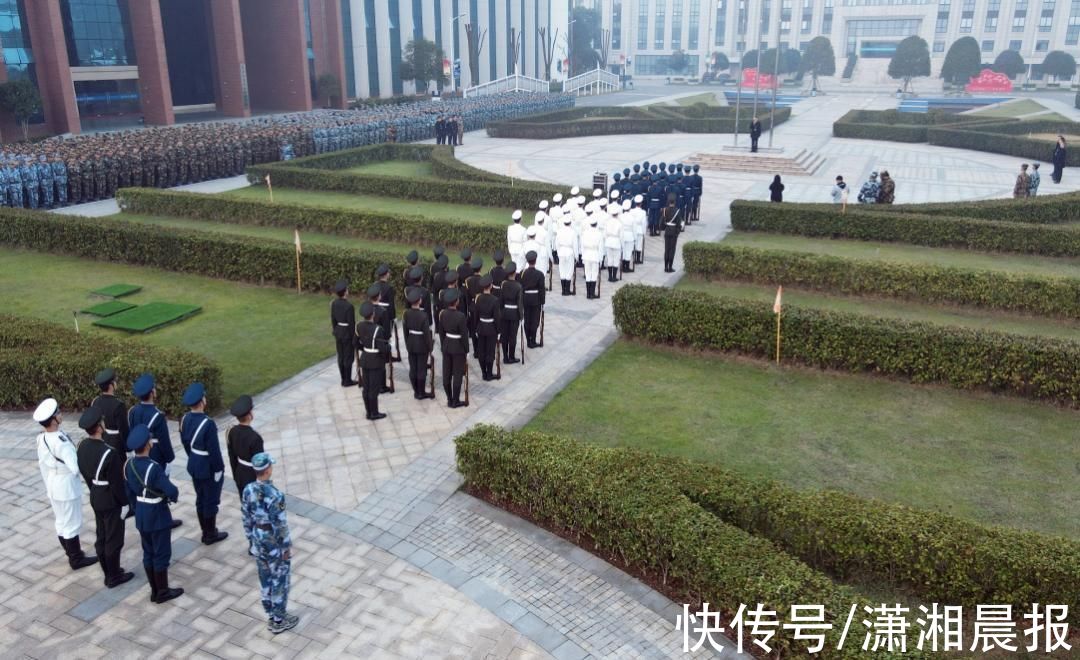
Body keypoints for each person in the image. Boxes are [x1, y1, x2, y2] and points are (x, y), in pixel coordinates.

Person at [34, 398, 98, 571]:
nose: (60, 414)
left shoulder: (42, 438)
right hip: (66, 486)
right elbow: (75, 468)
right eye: (58, 413)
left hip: (54, 484)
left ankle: (71, 554)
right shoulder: (60, 443)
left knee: (61, 521)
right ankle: (76, 559)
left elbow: (43, 465)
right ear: (53, 420)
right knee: (71, 523)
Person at [125, 424, 184, 604]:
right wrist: (172, 496)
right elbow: (171, 490)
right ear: (148, 444)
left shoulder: (129, 465)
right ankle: (162, 592)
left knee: (148, 552)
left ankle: (154, 590)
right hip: (157, 515)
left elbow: (129, 492)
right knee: (161, 554)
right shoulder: (154, 467)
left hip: (141, 513)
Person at [76, 405, 133, 587]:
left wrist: (94, 488)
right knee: (113, 539)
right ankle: (113, 576)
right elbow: (117, 483)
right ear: (100, 427)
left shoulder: (82, 446)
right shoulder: (109, 453)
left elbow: (85, 472)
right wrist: (124, 503)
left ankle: (108, 570)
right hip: (109, 499)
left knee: (101, 535)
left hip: (95, 495)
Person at [241, 452, 298, 634]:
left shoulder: (248, 489)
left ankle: (272, 614)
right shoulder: (275, 495)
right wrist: (286, 547)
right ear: (267, 470)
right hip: (273, 542)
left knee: (265, 578)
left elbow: (246, 517)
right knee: (280, 579)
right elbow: (280, 524)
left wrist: (251, 540)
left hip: (258, 538)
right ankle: (279, 620)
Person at [127, 374, 182, 530]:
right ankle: (163, 518)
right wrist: (169, 458)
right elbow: (164, 441)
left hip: (139, 452)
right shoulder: (157, 415)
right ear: (152, 393)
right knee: (159, 486)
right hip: (156, 453)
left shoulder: (133, 411)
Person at [179, 382, 229, 545]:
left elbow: (186, 443)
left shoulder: (185, 418)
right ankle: (209, 534)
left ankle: (206, 530)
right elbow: (214, 451)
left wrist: (194, 457)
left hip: (194, 463)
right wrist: (219, 469)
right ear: (202, 401)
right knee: (210, 500)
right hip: (207, 467)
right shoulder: (208, 423)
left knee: (200, 498)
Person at [356, 301, 391, 421]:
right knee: (374, 388)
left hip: (365, 359)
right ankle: (374, 413)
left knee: (366, 387)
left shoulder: (359, 326)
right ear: (373, 315)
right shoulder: (378, 329)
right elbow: (383, 348)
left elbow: (355, 343)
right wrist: (389, 347)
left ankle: (368, 412)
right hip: (375, 361)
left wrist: (365, 349)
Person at [227, 395, 264, 497]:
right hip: (252, 476)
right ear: (249, 415)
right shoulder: (255, 437)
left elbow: (232, 456)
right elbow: (260, 463)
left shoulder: (232, 431)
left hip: (239, 473)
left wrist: (235, 474)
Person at [438, 288, 469, 408]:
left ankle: (449, 399)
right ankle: (455, 401)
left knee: (446, 374)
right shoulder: (461, 316)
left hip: (446, 346)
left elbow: (441, 333)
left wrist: (443, 345)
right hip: (458, 348)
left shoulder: (442, 314)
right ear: (456, 302)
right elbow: (464, 335)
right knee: (457, 375)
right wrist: (466, 350)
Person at [403, 286, 436, 399]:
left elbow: (405, 331)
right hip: (421, 344)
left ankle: (416, 391)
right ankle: (421, 393)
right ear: (420, 301)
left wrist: (407, 343)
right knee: (421, 369)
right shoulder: (423, 316)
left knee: (413, 368)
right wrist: (430, 347)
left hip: (411, 343)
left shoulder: (406, 313)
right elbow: (426, 334)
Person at [471, 275, 501, 381]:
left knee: (482, 351)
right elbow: (497, 318)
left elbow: (476, 315)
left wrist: (475, 328)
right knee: (490, 352)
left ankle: (484, 373)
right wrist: (499, 330)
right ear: (491, 286)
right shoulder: (495, 300)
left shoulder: (478, 299)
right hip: (491, 328)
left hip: (481, 328)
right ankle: (489, 373)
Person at [91, 368, 128, 452]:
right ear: (111, 385)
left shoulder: (96, 401)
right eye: (114, 381)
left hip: (101, 439)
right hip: (116, 444)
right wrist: (128, 446)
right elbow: (123, 429)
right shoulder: (119, 405)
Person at [331, 279, 358, 387]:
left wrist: (336, 330)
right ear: (345, 292)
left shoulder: (334, 303)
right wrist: (354, 337)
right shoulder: (349, 306)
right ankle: (347, 380)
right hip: (347, 333)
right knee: (348, 357)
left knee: (341, 356)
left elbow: (333, 319)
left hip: (338, 332)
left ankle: (343, 379)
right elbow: (351, 324)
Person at [520, 252, 546, 348]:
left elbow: (521, 287)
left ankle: (528, 341)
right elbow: (542, 289)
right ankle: (533, 341)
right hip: (536, 300)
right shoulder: (539, 274)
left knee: (527, 320)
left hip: (526, 299)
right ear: (535, 261)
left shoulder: (523, 273)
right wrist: (543, 302)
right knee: (535, 320)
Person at [580, 215, 604, 299]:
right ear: (596, 224)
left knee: (587, 274)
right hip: (595, 255)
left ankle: (588, 293)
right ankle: (592, 294)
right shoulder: (599, 234)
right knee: (594, 274)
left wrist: (582, 256)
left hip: (586, 255)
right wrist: (601, 259)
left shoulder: (585, 233)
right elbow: (601, 248)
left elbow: (582, 246)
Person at [662, 195, 683, 273]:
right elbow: (679, 223)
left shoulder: (665, 210)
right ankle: (670, 267)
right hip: (673, 231)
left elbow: (662, 221)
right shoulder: (677, 211)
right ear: (674, 202)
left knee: (666, 249)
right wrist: (678, 231)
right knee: (672, 250)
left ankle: (665, 267)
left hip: (667, 230)